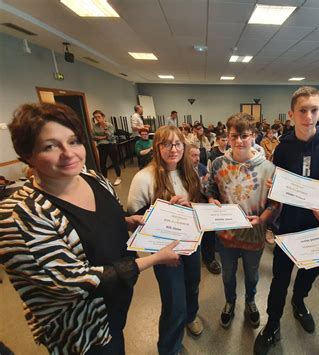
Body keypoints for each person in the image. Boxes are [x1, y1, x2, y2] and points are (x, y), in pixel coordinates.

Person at [0, 103, 179, 354]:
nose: (68, 153)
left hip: (115, 302)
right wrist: (154, 260)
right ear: (27, 154)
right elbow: (70, 282)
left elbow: (102, 219)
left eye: (73, 141)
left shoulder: (90, 177)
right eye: (50, 146)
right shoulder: (19, 215)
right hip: (84, 326)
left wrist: (127, 221)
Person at [254, 86, 319, 354]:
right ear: (291, 114)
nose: (308, 116)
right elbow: (280, 187)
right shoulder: (284, 147)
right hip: (288, 228)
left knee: (308, 275)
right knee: (278, 279)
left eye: (314, 109)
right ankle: (272, 323)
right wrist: (273, 188)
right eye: (302, 110)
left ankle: (299, 302)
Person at [127, 125, 203, 355]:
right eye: (166, 144)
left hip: (190, 244)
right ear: (156, 147)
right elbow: (134, 221)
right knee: (174, 302)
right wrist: (158, 254)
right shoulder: (143, 178)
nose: (173, 149)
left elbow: (201, 208)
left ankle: (191, 316)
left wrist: (190, 205)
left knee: (192, 285)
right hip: (164, 251)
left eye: (178, 143)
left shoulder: (190, 172)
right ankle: (170, 348)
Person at [206, 112, 278, 330]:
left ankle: (250, 301)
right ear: (227, 137)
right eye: (233, 136)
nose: (239, 141)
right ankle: (230, 302)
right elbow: (210, 189)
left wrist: (263, 218)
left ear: (253, 136)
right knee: (228, 274)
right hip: (226, 235)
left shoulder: (268, 168)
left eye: (244, 136)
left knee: (252, 274)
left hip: (254, 236)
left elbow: (275, 203)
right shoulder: (218, 164)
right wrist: (211, 201)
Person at [188, 144, 222, 275]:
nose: (197, 158)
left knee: (209, 231)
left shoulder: (201, 167)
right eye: (193, 155)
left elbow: (208, 184)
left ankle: (210, 258)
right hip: (189, 205)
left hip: (203, 202)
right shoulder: (181, 170)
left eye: (198, 155)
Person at [92, 110, 122, 186]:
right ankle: (105, 179)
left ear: (103, 117)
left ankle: (118, 177)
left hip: (111, 145)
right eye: (95, 117)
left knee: (115, 162)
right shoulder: (95, 126)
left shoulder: (109, 125)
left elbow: (110, 137)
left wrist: (104, 127)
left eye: (99, 117)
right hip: (101, 146)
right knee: (102, 163)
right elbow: (93, 137)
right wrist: (103, 137)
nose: (97, 119)